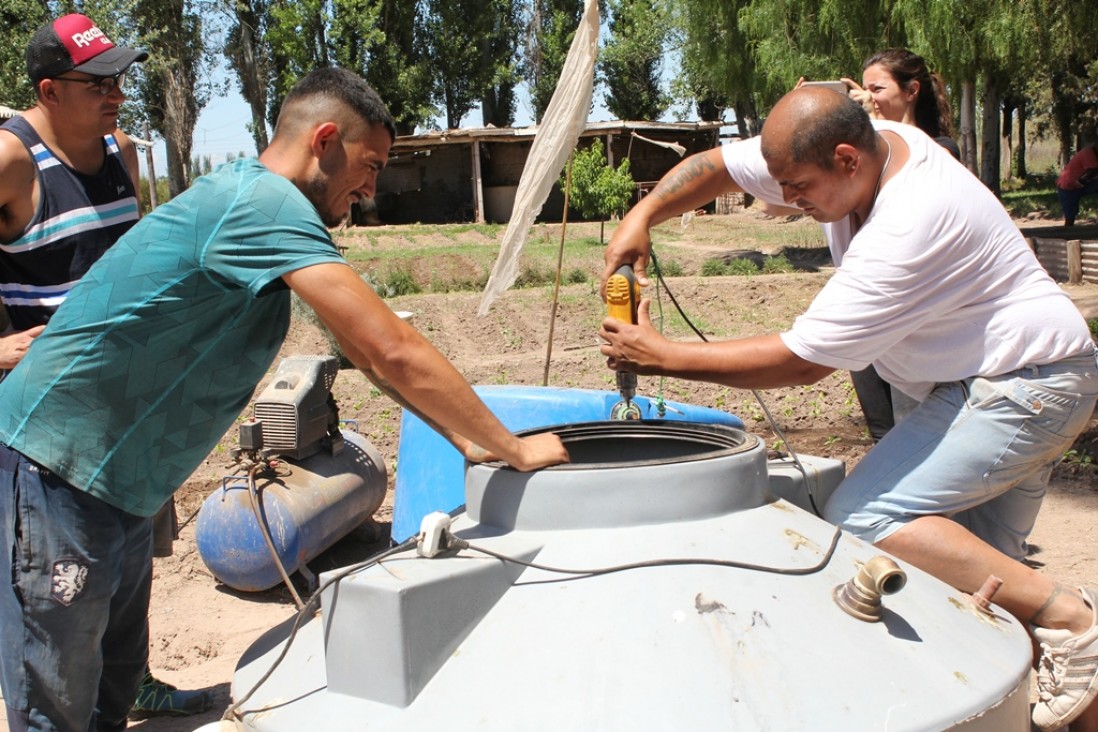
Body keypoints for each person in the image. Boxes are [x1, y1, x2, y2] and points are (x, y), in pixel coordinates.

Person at [0, 66, 571, 732]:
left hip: (121, 478)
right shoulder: (262, 205)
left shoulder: (263, 207)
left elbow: (362, 353)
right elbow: (390, 347)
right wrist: (508, 445)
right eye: (371, 164)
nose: (371, 187)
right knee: (57, 701)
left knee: (114, 683)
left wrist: (467, 439)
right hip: (58, 468)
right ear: (325, 138)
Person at [599, 87, 1098, 731]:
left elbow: (804, 363)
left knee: (866, 514)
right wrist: (642, 216)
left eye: (800, 188)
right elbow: (722, 166)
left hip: (1022, 387)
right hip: (1005, 380)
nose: (790, 201)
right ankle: (1062, 652)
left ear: (846, 160)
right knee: (990, 600)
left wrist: (660, 355)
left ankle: (1071, 615)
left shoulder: (911, 217)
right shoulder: (858, 149)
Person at [0, 13, 213, 721]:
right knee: (57, 628)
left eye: (119, 77)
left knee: (123, 593)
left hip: (128, 421)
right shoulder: (12, 161)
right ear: (48, 91)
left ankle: (132, 694)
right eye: (96, 82)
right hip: (51, 438)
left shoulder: (119, 150)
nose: (115, 93)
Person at [836, 48, 959, 441]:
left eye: (877, 88)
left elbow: (916, 185)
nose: (868, 96)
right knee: (883, 435)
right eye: (864, 89)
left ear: (911, 91)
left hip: (917, 316)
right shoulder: (855, 160)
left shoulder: (940, 150)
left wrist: (873, 124)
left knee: (919, 431)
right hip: (870, 307)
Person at [1056, 142, 1098, 227]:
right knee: (1070, 217)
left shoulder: (1092, 152)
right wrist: (1080, 183)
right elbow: (1093, 171)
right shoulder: (1088, 153)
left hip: (1077, 184)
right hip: (1068, 185)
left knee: (1070, 215)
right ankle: (1067, 235)